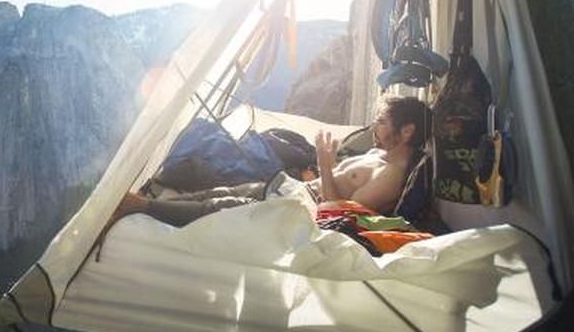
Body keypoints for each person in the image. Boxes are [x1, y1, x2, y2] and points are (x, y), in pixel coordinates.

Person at [114, 96, 429, 227]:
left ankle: (138, 208)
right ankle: (140, 204)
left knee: (220, 209)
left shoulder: (390, 178)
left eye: (383, 123)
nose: (376, 128)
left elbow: (338, 214)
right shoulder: (377, 154)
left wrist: (326, 165)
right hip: (294, 189)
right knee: (223, 191)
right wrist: (320, 168)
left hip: (304, 209)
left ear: (407, 131)